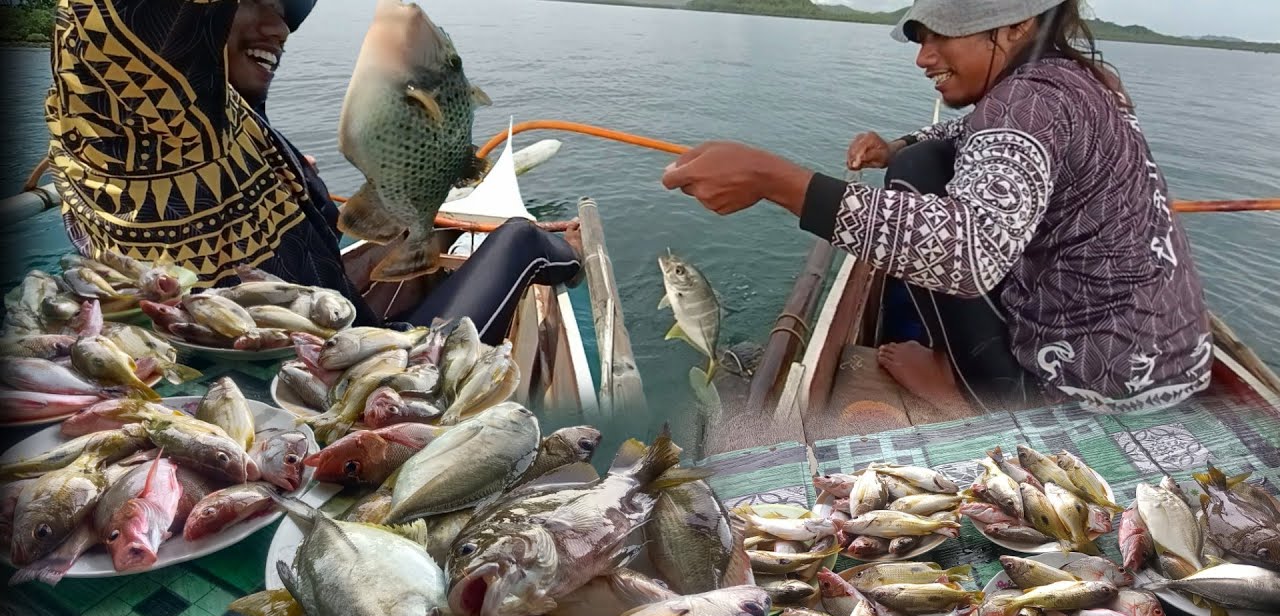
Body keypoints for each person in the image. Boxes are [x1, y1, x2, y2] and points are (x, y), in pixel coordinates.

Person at [660, 0, 1212, 416]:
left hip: (1094, 388)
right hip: (1171, 361)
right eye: (922, 39)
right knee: (918, 157)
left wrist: (776, 182)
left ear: (1016, 25)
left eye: (941, 35)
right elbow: (970, 130)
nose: (923, 58)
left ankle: (965, 390)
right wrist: (897, 145)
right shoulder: (1082, 81)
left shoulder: (1031, 99)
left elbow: (969, 253)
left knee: (917, 177)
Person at [43, 0, 581, 344]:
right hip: (355, 375)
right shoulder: (154, 113)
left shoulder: (223, 122)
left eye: (288, 13)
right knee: (522, 239)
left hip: (312, 328)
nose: (281, 28)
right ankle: (577, 259)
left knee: (412, 249)